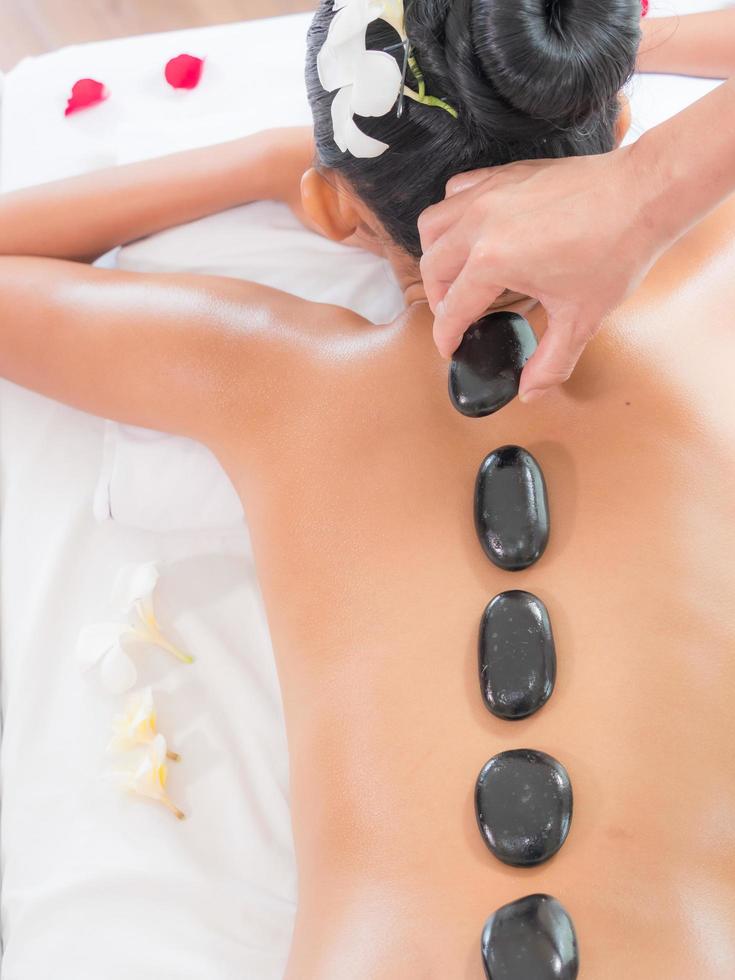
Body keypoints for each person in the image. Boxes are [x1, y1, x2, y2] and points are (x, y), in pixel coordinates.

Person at [0, 1, 733, 977]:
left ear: (334, 207)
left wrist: (279, 164)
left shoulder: (276, 378)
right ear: (626, 131)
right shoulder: (710, 292)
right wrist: (630, 116)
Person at [420, 9, 735, 400]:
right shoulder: (721, 246)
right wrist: (580, 46)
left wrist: (647, 184)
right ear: (621, 127)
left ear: (333, 208)